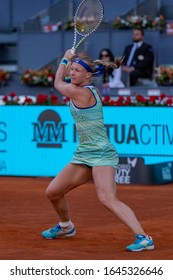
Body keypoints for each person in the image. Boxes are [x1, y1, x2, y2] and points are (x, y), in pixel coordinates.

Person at [41, 48, 154, 252]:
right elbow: (65, 77)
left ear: (88, 75)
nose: (73, 73)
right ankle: (66, 227)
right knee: (53, 192)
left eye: (77, 71)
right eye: (72, 70)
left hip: (101, 153)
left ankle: (144, 237)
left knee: (107, 199)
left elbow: (58, 82)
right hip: (83, 154)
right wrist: (69, 63)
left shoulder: (82, 92)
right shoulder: (83, 87)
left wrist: (65, 59)